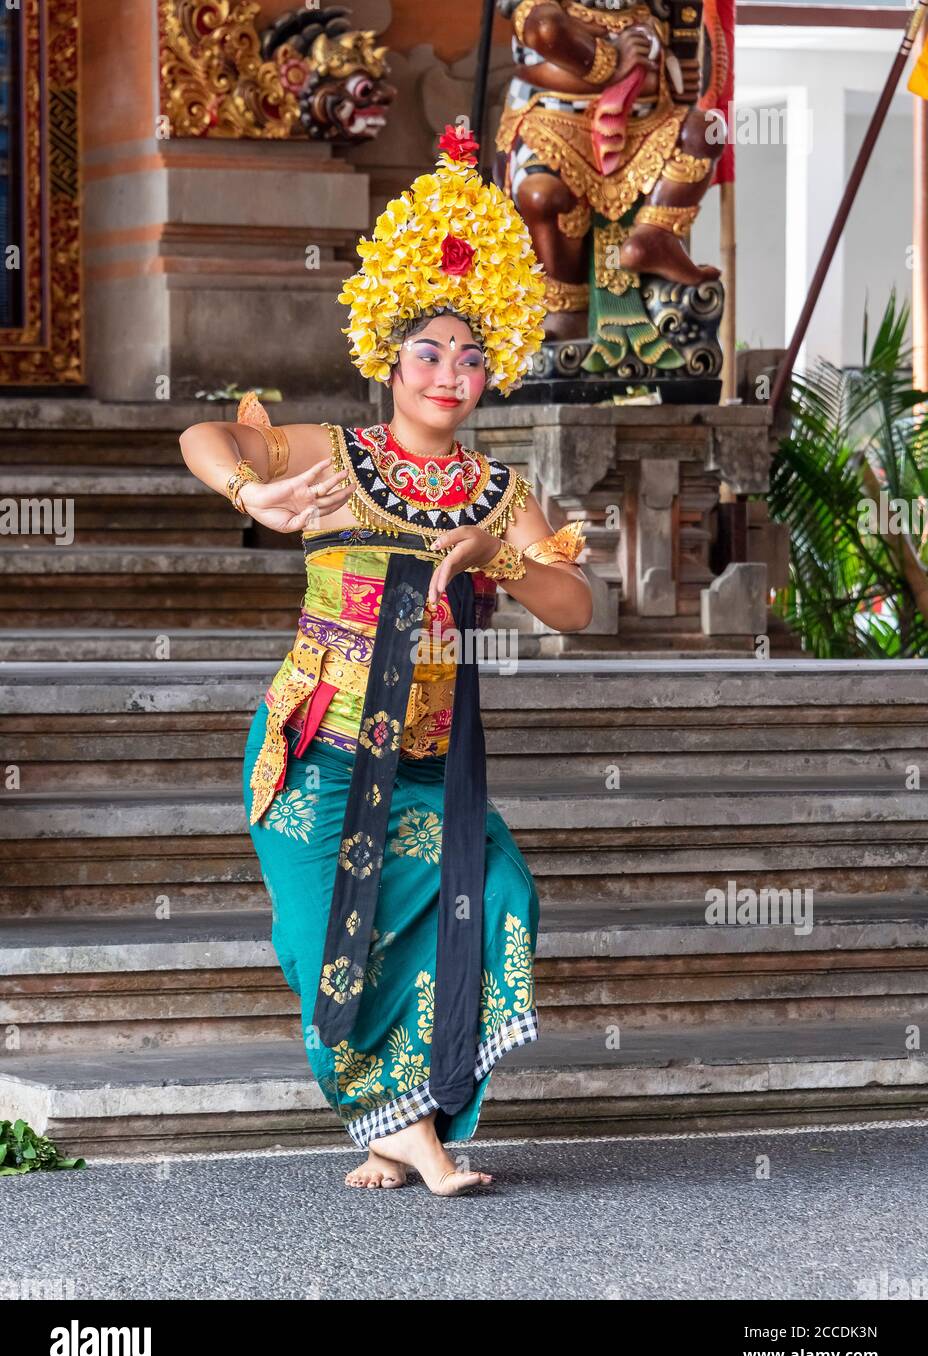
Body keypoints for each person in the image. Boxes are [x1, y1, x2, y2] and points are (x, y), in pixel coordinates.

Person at [179, 125, 593, 1197]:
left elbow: (576, 603)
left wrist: (498, 550)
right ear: (390, 360)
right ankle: (400, 1128)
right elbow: (205, 437)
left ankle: (404, 1118)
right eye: (428, 352)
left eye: (469, 356)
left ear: (490, 368)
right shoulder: (336, 452)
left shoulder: (499, 490)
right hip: (315, 746)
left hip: (421, 761)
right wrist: (251, 493)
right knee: (330, 945)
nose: (449, 374)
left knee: (495, 890)